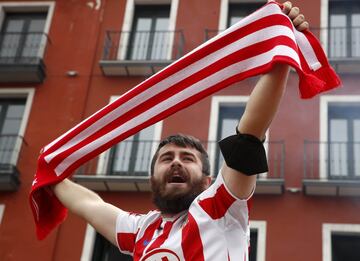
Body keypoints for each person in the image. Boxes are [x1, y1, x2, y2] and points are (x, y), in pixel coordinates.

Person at [53, 2, 309, 260]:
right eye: (167, 158)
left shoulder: (220, 209)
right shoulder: (142, 230)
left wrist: (280, 51)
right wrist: (47, 169)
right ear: (152, 178)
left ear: (207, 180)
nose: (176, 162)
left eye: (187, 158)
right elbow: (89, 205)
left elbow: (249, 136)